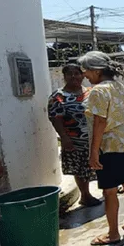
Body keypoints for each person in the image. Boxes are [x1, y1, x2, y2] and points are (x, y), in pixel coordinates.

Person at [80, 51, 124, 246]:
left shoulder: (98, 91)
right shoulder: (120, 87)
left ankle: (113, 233)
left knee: (110, 191)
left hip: (109, 147)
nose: (85, 75)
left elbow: (99, 122)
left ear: (96, 70)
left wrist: (94, 151)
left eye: (86, 71)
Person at [48, 64, 101, 207]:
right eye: (69, 74)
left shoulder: (91, 92)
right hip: (74, 140)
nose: (74, 77)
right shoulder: (58, 96)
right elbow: (55, 118)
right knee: (80, 169)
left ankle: (106, 190)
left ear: (82, 75)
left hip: (93, 139)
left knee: (95, 166)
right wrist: (64, 138)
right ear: (64, 77)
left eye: (77, 73)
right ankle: (85, 196)